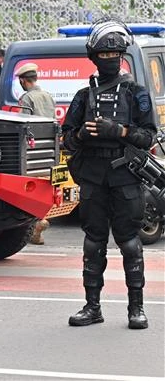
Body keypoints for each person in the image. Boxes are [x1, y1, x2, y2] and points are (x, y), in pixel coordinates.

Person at [62, 19, 156, 329]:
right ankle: (92, 307)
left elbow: (148, 137)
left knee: (129, 242)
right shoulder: (81, 96)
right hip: (93, 176)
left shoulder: (136, 93)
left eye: (114, 54)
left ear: (122, 55)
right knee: (93, 242)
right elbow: (66, 138)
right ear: (93, 57)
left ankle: (136, 308)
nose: (109, 59)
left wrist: (119, 130)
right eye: (103, 54)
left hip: (125, 175)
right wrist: (83, 137)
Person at [15, 62, 56, 245]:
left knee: (29, 190)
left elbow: (22, 123)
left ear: (24, 81)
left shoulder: (26, 98)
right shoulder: (48, 96)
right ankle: (39, 226)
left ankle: (36, 223)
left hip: (31, 148)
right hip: (48, 149)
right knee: (46, 186)